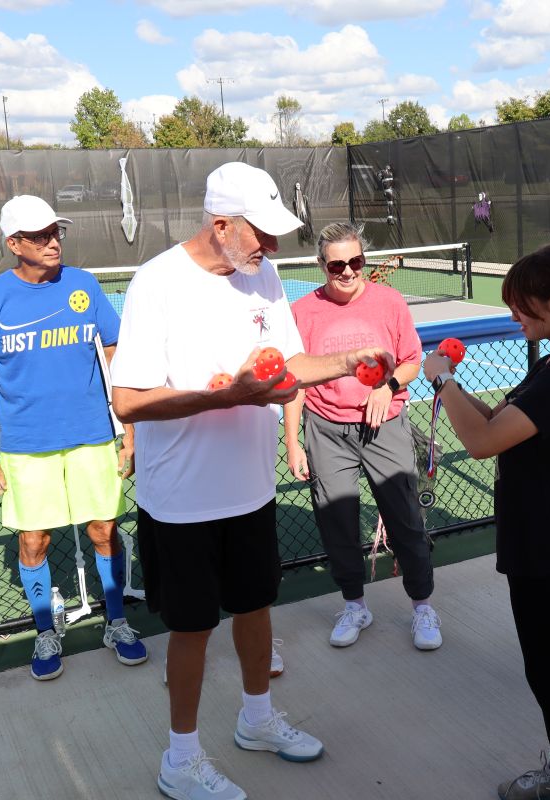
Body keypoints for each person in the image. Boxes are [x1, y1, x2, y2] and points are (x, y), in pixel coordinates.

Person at [109, 162, 396, 800]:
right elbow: (128, 401)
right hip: (180, 501)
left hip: (251, 491)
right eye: (260, 234)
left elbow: (289, 364)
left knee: (255, 610)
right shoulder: (156, 282)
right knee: (191, 630)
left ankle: (257, 720)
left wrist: (349, 360)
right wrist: (225, 397)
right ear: (220, 225)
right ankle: (180, 761)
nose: (272, 247)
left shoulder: (261, 274)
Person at [423, 243, 550, 800]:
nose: (515, 317)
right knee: (546, 668)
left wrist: (440, 381)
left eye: (522, 307)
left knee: (549, 675)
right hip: (545, 544)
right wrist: (456, 388)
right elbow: (500, 421)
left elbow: (483, 441)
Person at [0, 194, 144, 681]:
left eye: (55, 232)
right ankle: (46, 630)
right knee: (34, 540)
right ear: (14, 244)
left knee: (104, 529)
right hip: (25, 445)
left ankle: (117, 622)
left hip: (92, 437)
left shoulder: (83, 285)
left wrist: (129, 431)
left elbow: (115, 354)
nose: (52, 242)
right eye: (39, 236)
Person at [283, 222, 441, 651]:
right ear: (322, 265)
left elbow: (410, 360)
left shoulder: (389, 302)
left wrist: (387, 387)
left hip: (385, 426)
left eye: (356, 262)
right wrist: (294, 442)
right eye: (337, 265)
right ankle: (355, 605)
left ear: (364, 261)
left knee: (406, 518)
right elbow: (295, 380)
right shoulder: (302, 312)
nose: (348, 271)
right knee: (337, 523)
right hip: (326, 429)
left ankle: (422, 607)